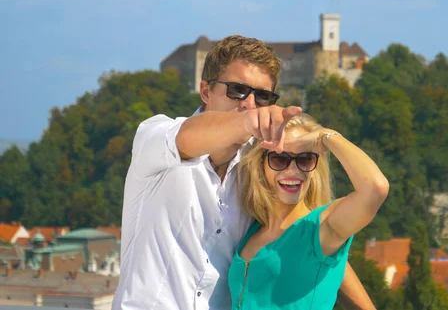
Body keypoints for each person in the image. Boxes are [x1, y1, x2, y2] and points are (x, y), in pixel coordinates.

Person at [112, 35, 376, 310]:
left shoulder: (262, 166)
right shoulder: (155, 138)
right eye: (237, 90)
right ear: (205, 91)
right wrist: (247, 122)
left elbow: (309, 240)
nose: (249, 103)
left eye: (262, 96)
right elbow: (186, 138)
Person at [229, 114, 389, 309]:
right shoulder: (251, 231)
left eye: (305, 159)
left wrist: (324, 137)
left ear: (315, 167)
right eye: (280, 158)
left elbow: (375, 189)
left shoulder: (320, 231)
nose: (293, 170)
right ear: (260, 164)